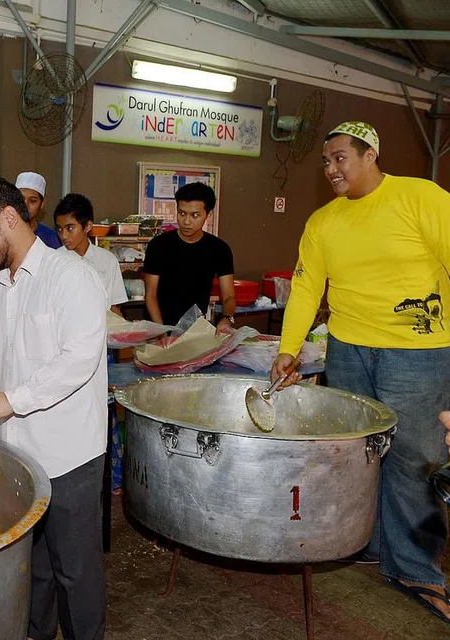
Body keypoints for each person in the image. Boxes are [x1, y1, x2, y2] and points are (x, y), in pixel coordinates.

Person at [272, 121, 450, 624]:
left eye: (340, 158)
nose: (330, 169)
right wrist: (290, 349)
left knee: (416, 460)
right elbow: (307, 287)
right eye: (325, 162)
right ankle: (367, 542)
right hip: (348, 348)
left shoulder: (421, 197)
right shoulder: (324, 221)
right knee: (358, 455)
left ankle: (417, 569)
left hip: (418, 349)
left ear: (371, 154)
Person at [0, 176, 107, 640]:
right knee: (34, 568)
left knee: (75, 572)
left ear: (8, 219)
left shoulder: (70, 277)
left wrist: (13, 399)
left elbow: (79, 358)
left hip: (70, 454)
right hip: (22, 457)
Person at [142, 181, 236, 329]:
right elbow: (150, 296)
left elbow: (229, 296)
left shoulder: (219, 249)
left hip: (194, 330)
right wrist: (160, 332)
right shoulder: (158, 245)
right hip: (157, 327)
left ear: (209, 214)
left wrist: (227, 318)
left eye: (195, 215)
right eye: (182, 213)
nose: (186, 221)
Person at [55, 193, 128, 315]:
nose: (64, 236)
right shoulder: (55, 261)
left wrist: (125, 330)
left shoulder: (108, 260)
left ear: (88, 226)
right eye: (59, 229)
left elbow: (113, 307)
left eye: (70, 228)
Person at [16, 171, 61, 249]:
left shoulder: (52, 239)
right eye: (21, 199)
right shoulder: (1, 233)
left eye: (32, 200)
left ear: (42, 203)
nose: (25, 204)